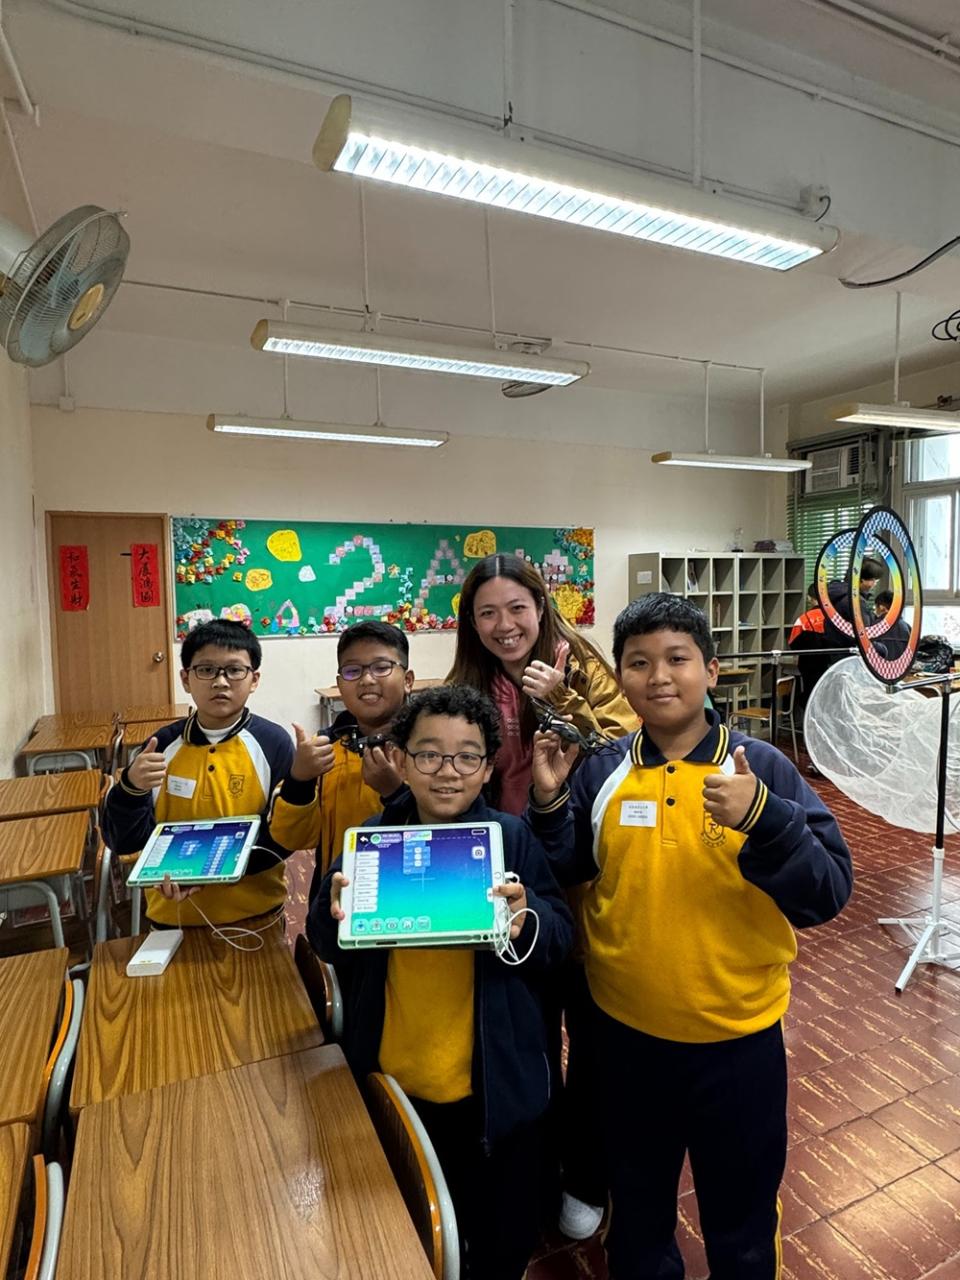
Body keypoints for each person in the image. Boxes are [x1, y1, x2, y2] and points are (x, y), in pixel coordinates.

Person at [527, 593, 852, 1280]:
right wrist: (552, 802)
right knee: (638, 1212)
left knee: (741, 1220)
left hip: (737, 1042)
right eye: (638, 662)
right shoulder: (603, 768)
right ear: (620, 676)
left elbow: (826, 893)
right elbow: (570, 868)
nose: (659, 677)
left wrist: (765, 817)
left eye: (677, 658)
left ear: (712, 669)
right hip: (624, 1037)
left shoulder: (760, 767)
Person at [308, 684, 573, 1280]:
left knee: (501, 1238)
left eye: (466, 757)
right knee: (409, 1233)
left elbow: (558, 938)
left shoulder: (511, 839)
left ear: (488, 768)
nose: (447, 772)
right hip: (395, 1081)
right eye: (428, 754)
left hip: (494, 1091)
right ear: (401, 761)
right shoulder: (371, 841)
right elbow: (324, 940)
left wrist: (526, 917)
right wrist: (331, 908)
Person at [447, 552, 637, 1237]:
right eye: (487, 613)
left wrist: (562, 700)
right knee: (521, 1033)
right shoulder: (468, 681)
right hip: (502, 878)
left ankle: (585, 1175)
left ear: (540, 606)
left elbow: (627, 749)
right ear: (471, 623)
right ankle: (533, 1167)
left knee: (590, 1037)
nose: (504, 625)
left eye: (516, 609)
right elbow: (451, 769)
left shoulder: (579, 662)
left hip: (577, 874)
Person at [102, 619, 317, 927]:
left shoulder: (273, 744)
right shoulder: (160, 745)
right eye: (206, 670)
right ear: (186, 679)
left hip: (256, 913)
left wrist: (209, 872)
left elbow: (283, 839)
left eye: (234, 670)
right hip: (172, 914)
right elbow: (125, 841)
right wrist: (130, 787)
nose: (220, 682)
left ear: (254, 679)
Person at [276, 620, 414, 903]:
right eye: (352, 671)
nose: (367, 680)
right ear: (340, 684)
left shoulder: (430, 747)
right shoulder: (326, 749)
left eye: (381, 667)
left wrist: (395, 792)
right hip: (340, 898)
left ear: (408, 680)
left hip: (417, 893)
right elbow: (291, 838)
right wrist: (300, 779)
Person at [874, 588, 911, 660]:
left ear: (881, 607)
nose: (875, 610)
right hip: (901, 666)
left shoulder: (874, 627)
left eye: (875, 607)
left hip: (878, 666)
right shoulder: (907, 628)